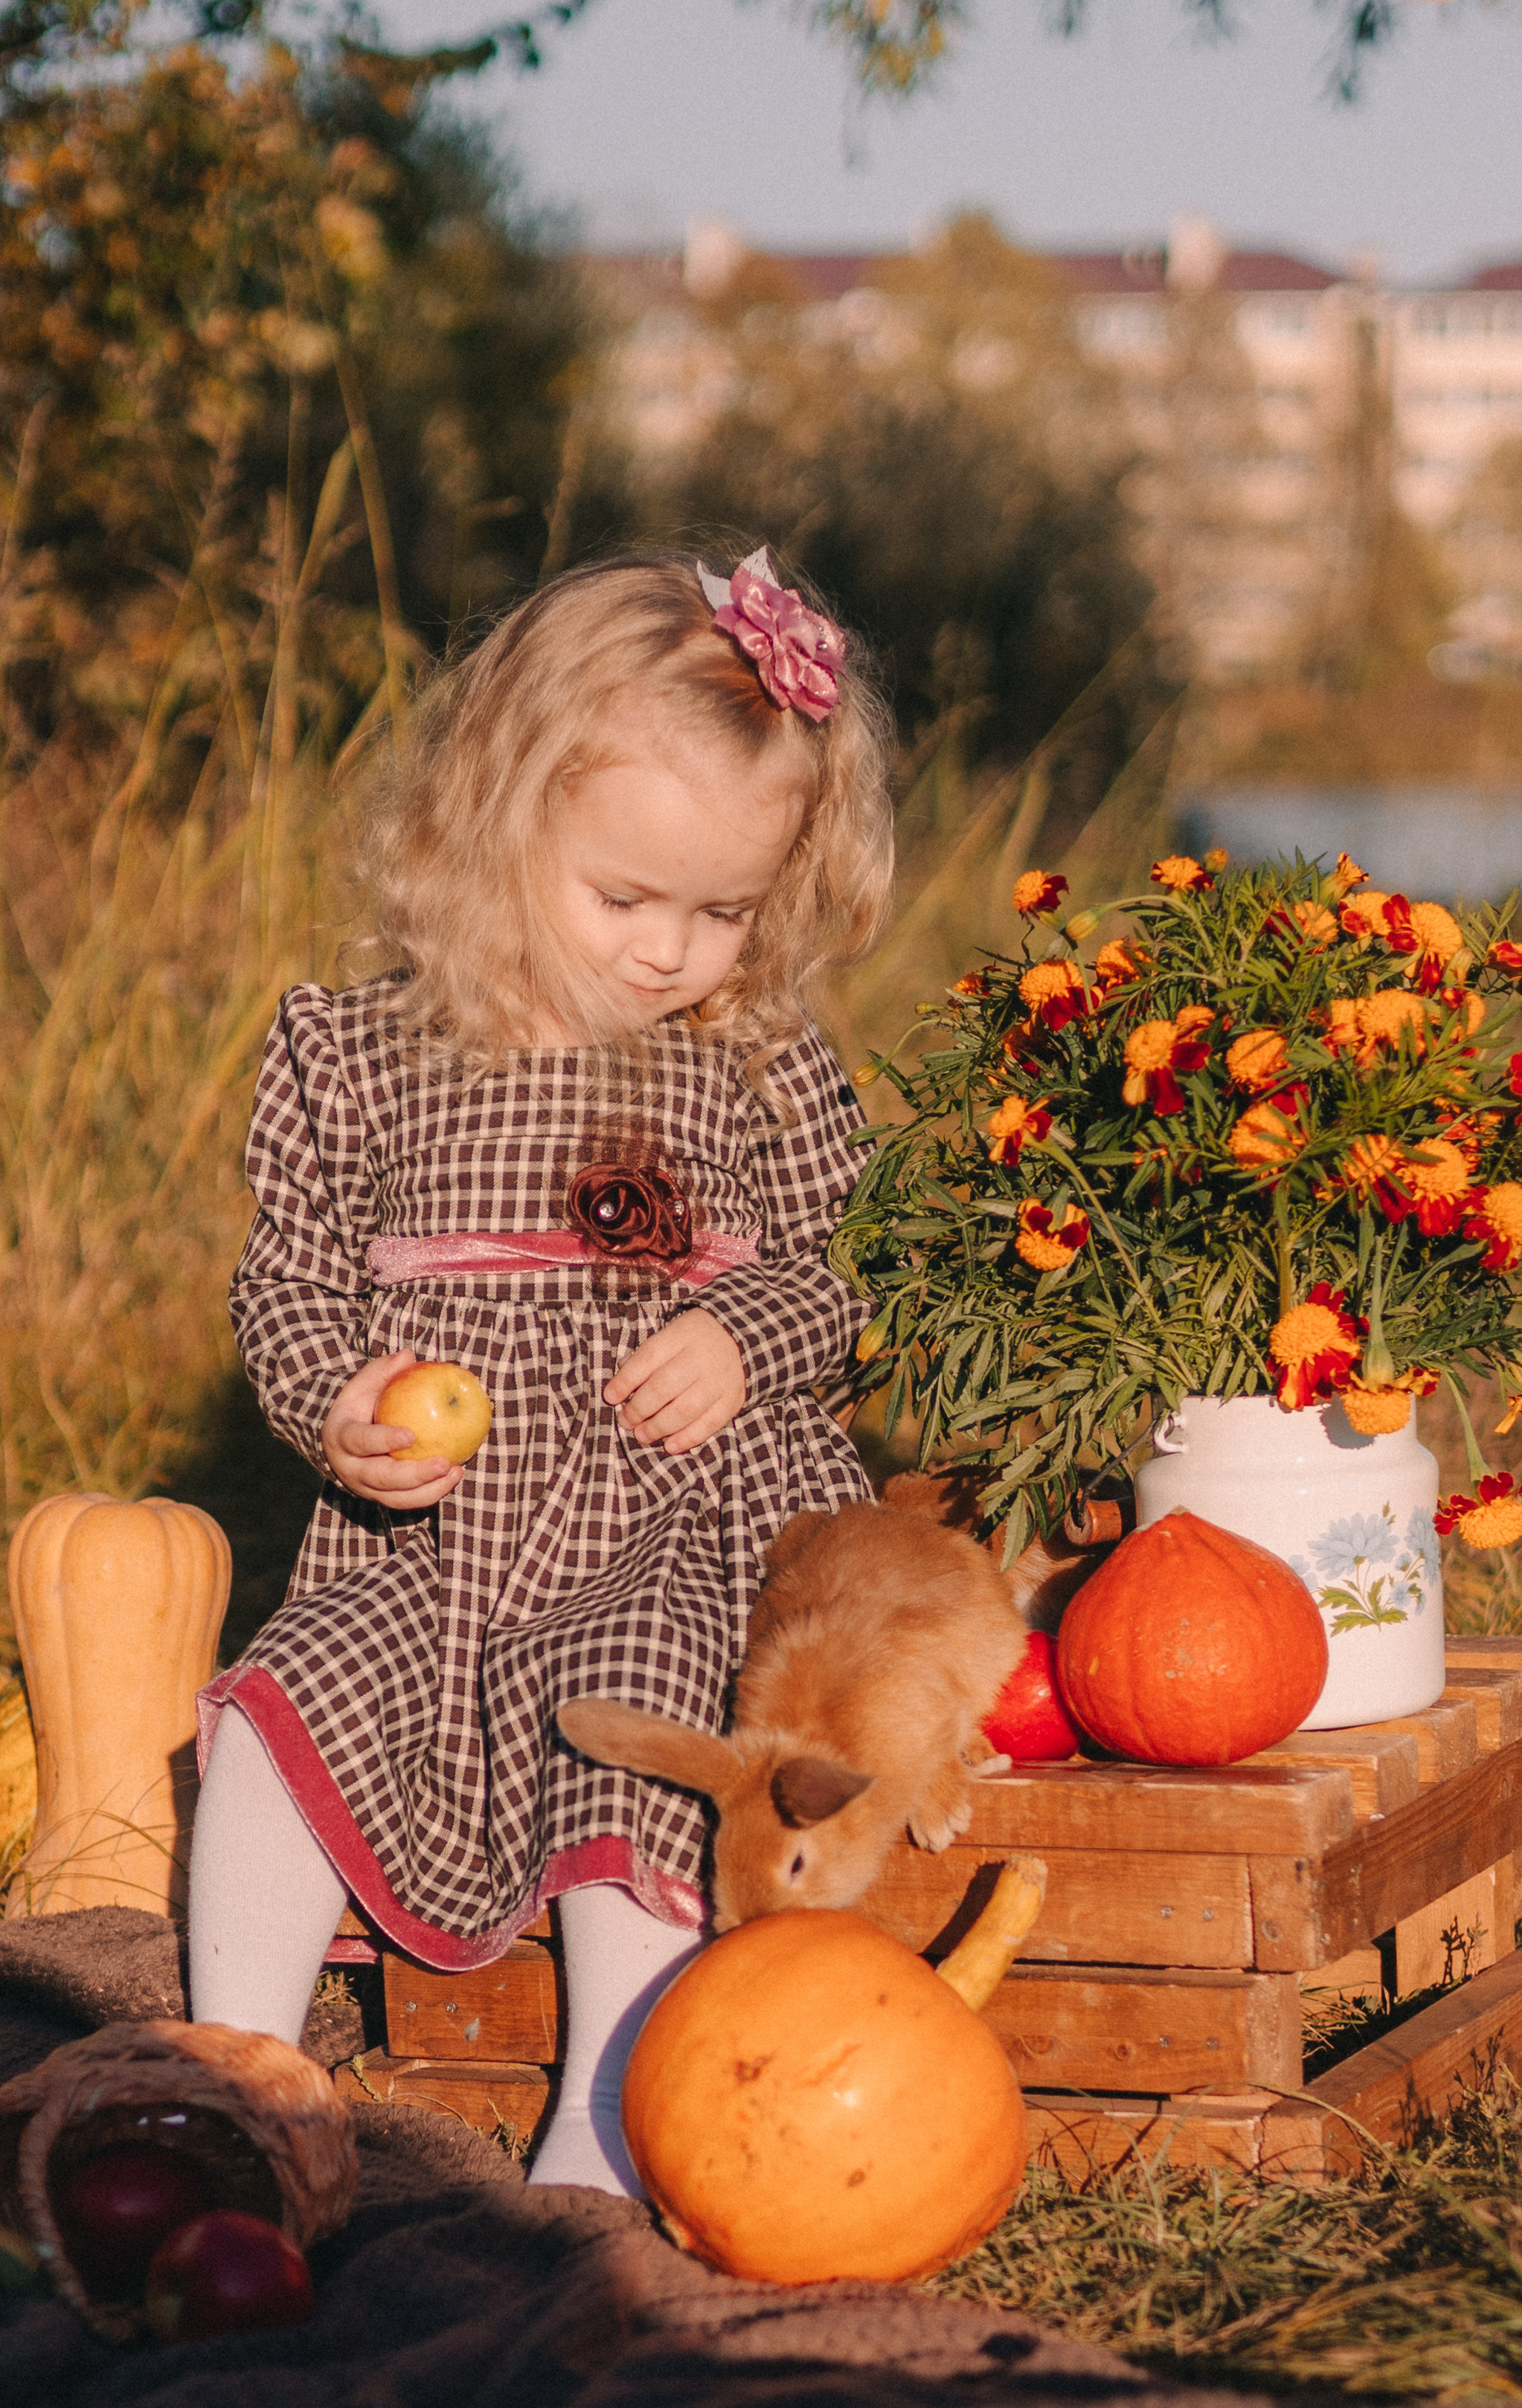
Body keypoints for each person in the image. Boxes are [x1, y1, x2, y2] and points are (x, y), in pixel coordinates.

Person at [188, 550, 894, 2192]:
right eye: (625, 899)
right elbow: (286, 1280)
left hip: (673, 1520)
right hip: (433, 1540)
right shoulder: (359, 1048)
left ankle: (602, 2114)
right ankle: (243, 2076)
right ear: (499, 821)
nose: (669, 952)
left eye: (723, 913)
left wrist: (748, 1334)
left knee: (640, 1711)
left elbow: (854, 1272)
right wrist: (338, 1405)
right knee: (288, 1698)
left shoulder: (757, 1060)